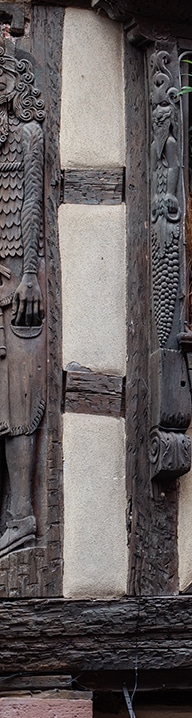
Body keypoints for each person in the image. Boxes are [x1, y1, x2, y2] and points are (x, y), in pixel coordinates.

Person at [0, 37, 45, 558]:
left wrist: (30, 275)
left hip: (19, 281)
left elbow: (32, 202)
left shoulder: (28, 135)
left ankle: (22, 515)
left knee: (18, 397)